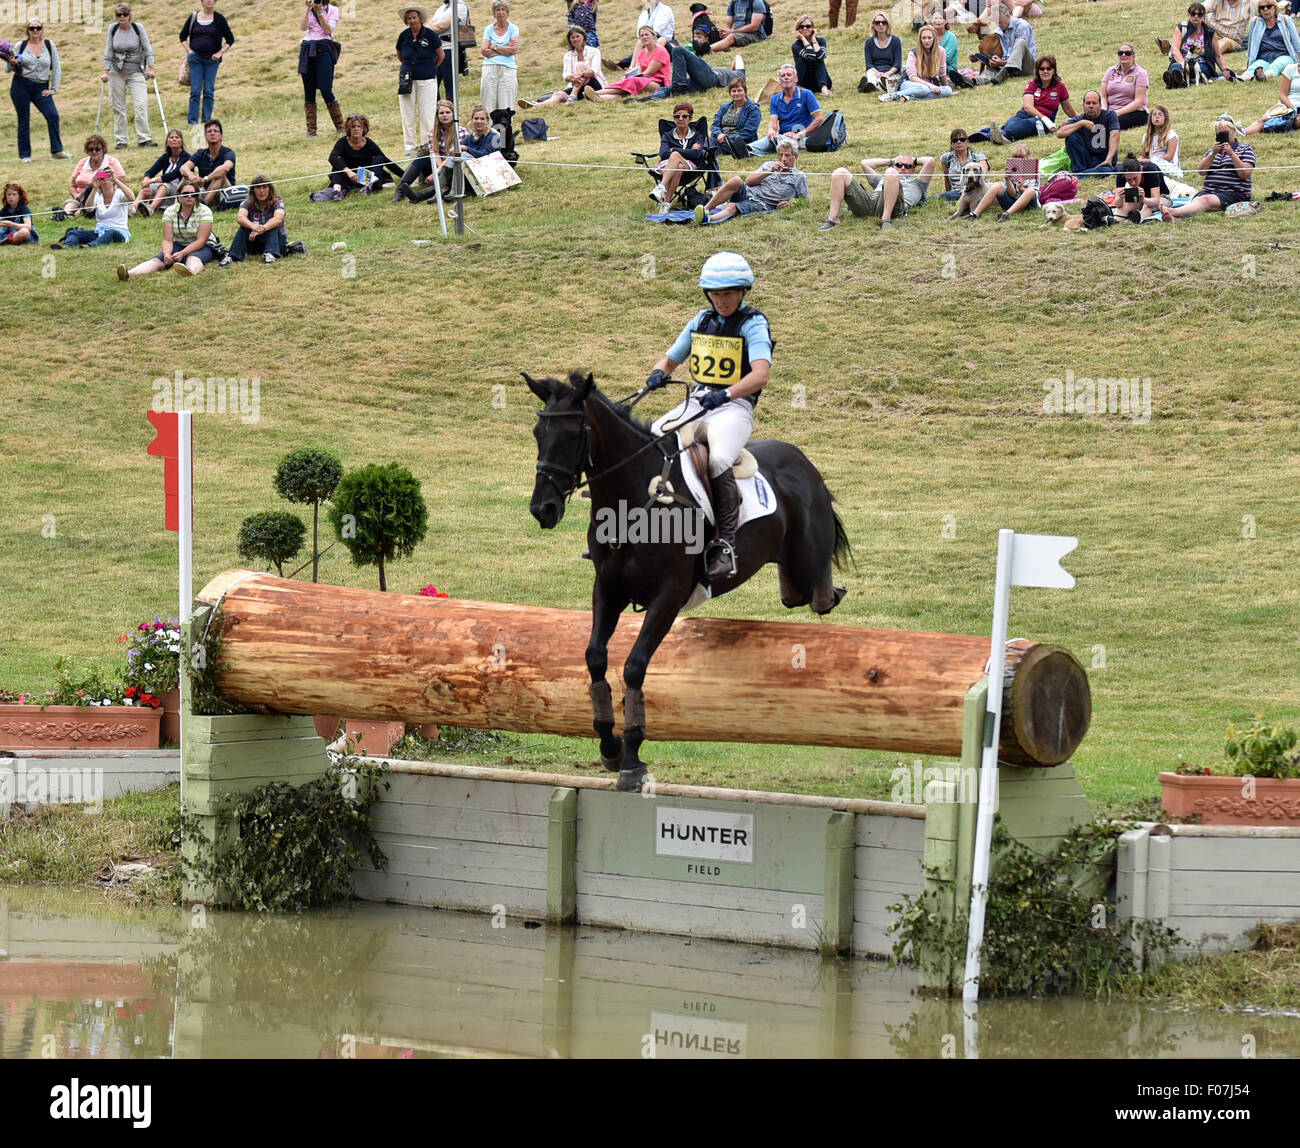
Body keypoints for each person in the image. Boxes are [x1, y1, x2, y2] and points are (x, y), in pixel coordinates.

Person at [643, 251, 772, 581]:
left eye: (728, 293)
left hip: (734, 407)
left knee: (718, 460)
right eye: (716, 294)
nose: (722, 300)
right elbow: (670, 359)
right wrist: (658, 373)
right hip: (700, 401)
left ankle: (725, 545)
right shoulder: (700, 321)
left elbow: (760, 375)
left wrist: (727, 393)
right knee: (652, 440)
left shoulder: (753, 323)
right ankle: (641, 528)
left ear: (742, 292)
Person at [695, 135, 808, 223]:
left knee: (732, 206)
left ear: (796, 157)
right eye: (781, 155)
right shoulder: (769, 165)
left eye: (787, 155)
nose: (783, 159)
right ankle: (705, 209)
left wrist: (790, 203)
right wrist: (770, 171)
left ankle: (709, 219)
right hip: (747, 191)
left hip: (761, 203)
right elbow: (749, 181)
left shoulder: (799, 177)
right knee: (736, 180)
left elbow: (805, 200)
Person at [1161, 114, 1255, 217]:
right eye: (1220, 133)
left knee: (1204, 200)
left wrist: (1232, 154)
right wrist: (1213, 154)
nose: (1224, 136)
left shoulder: (1246, 149)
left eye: (1226, 133)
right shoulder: (1212, 151)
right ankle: (1175, 218)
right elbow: (1201, 171)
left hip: (1234, 192)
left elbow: (1245, 174)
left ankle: (1173, 212)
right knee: (1197, 200)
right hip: (1210, 191)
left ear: (1234, 131)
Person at [117, 180, 211, 277]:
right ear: (179, 195)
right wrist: (167, 254)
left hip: (202, 246)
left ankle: (191, 271)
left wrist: (183, 253)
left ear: (197, 197)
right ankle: (129, 274)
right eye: (186, 194)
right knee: (157, 260)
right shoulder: (170, 211)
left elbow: (201, 240)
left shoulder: (205, 211)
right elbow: (167, 239)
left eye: (193, 194)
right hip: (178, 244)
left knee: (193, 258)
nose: (190, 197)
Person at [971, 54, 1074, 142]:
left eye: (1048, 68)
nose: (1045, 71)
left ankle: (1003, 136)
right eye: (1042, 69)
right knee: (1012, 122)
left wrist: (1078, 120)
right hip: (1026, 115)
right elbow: (1028, 107)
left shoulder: (1060, 87)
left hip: (1042, 122)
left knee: (1029, 123)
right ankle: (981, 137)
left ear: (1054, 71)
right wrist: (1044, 118)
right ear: (1038, 71)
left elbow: (1068, 109)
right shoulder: (1032, 84)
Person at [7, 17, 69, 161]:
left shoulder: (49, 45)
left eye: (38, 28)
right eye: (32, 28)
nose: (35, 31)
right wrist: (11, 63)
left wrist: (53, 89)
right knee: (24, 120)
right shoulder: (20, 45)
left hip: (41, 87)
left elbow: (57, 67)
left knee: (52, 115)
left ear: (42, 30)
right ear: (27, 31)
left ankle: (57, 151)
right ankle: (25, 155)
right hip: (21, 85)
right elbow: (7, 69)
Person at [819, 153, 937, 229]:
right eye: (899, 165)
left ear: (912, 170)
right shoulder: (882, 178)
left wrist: (914, 160)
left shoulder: (918, 184)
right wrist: (890, 161)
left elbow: (930, 161)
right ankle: (833, 219)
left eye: (908, 166)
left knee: (891, 174)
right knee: (840, 172)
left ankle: (885, 220)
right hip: (871, 202)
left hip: (896, 207)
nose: (903, 168)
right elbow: (865, 163)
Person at [101, 4, 155, 150]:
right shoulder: (112, 29)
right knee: (118, 107)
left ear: (129, 15)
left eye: (124, 14)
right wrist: (106, 71)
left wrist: (151, 68)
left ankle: (144, 138)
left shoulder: (138, 28)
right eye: (119, 15)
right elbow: (109, 50)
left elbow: (147, 48)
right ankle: (121, 141)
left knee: (140, 106)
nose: (122, 17)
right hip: (116, 71)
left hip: (136, 71)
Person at [393, 98, 466, 201]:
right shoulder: (434, 131)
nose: (444, 115)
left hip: (453, 164)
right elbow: (434, 152)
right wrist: (437, 169)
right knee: (421, 157)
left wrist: (437, 172)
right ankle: (400, 190)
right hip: (439, 161)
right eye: (441, 113)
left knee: (444, 176)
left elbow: (454, 155)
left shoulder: (461, 131)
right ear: (437, 116)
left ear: (453, 114)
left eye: (448, 112)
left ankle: (418, 196)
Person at [397, 6, 444, 154]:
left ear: (420, 18)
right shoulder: (404, 35)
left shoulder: (430, 34)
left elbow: (441, 55)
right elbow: (400, 55)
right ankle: (410, 147)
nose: (412, 21)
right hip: (407, 80)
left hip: (427, 79)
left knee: (427, 114)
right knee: (407, 114)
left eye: (414, 17)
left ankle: (427, 145)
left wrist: (431, 68)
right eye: (409, 18)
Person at [180, 0, 235, 127]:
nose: (209, 1)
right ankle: (192, 122)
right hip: (196, 59)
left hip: (212, 61)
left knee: (209, 91)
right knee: (195, 91)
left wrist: (220, 53)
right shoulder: (194, 17)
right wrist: (190, 52)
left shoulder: (219, 19)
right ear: (202, 1)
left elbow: (230, 39)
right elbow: (182, 36)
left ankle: (207, 121)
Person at [520, 25, 604, 106]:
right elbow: (565, 75)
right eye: (573, 37)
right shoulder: (568, 55)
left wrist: (580, 74)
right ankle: (537, 105)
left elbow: (594, 72)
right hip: (577, 85)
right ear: (570, 40)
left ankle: (573, 96)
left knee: (581, 65)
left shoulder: (594, 51)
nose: (575, 39)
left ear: (583, 37)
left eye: (577, 36)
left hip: (594, 85)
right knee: (559, 94)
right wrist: (571, 77)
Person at [324, 113, 404, 197]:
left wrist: (405, 175)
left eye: (359, 126)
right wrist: (348, 172)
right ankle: (337, 192)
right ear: (349, 129)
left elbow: (386, 161)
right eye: (353, 126)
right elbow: (332, 157)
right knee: (337, 164)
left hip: (365, 176)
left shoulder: (369, 143)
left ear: (364, 129)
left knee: (379, 158)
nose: (356, 129)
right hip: (349, 176)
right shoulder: (342, 142)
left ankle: (369, 187)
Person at [650, 101, 714, 203]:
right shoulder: (667, 135)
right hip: (669, 165)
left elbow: (697, 154)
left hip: (690, 167)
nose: (680, 119)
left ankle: (661, 187)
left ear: (690, 119)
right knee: (678, 167)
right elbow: (663, 154)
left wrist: (675, 149)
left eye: (684, 116)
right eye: (677, 116)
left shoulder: (697, 135)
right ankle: (666, 203)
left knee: (675, 154)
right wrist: (689, 150)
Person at [751, 64, 823, 152]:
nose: (786, 77)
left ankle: (747, 149)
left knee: (775, 142)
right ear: (780, 81)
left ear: (796, 79)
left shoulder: (806, 94)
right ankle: (747, 149)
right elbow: (773, 121)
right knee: (771, 139)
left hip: (803, 139)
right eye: (783, 76)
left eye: (789, 75)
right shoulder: (775, 99)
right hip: (782, 137)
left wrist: (800, 134)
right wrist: (771, 130)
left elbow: (819, 118)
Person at [53, 169, 132, 248]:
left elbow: (132, 198)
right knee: (73, 232)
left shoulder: (119, 193)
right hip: (100, 232)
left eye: (108, 176)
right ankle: (67, 246)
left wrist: (117, 180)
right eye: (102, 177)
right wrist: (94, 188)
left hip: (119, 232)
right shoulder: (98, 196)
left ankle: (91, 245)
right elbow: (88, 209)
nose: (105, 180)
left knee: (111, 232)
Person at [586, 25, 670, 100]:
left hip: (658, 84)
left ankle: (598, 92)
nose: (644, 37)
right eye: (642, 36)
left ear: (653, 36)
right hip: (643, 80)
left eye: (647, 34)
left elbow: (648, 73)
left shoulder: (660, 51)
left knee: (631, 81)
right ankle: (599, 98)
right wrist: (627, 76)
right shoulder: (642, 52)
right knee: (626, 91)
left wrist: (628, 78)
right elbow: (637, 70)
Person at [300, 1, 343, 138]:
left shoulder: (333, 10)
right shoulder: (309, 9)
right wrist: (308, 9)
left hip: (324, 49)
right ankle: (311, 131)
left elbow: (329, 30)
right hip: (307, 49)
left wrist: (319, 12)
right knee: (309, 90)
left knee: (326, 88)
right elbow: (303, 27)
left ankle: (340, 126)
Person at [223, 175, 287, 265]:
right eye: (258, 188)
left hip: (276, 242)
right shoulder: (247, 203)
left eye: (264, 187)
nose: (261, 191)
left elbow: (278, 219)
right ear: (253, 190)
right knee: (244, 227)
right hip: (254, 240)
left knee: (273, 225)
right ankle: (233, 256)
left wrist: (263, 228)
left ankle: (270, 254)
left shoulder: (277, 202)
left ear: (270, 189)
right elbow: (240, 218)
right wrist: (254, 227)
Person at [59, 136, 128, 219]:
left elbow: (120, 181)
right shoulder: (82, 162)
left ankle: (79, 212)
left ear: (103, 150)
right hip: (79, 197)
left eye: (97, 149)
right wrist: (76, 195)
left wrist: (101, 180)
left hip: (100, 196)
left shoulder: (112, 162)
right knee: (70, 204)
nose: (94, 152)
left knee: (90, 189)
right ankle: (65, 214)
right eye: (91, 149)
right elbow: (72, 185)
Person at [966, 141, 1038, 219]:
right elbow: (1013, 194)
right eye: (1016, 159)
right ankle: (975, 214)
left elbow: (1033, 195)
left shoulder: (1034, 171)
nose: (1019, 161)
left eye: (1022, 159)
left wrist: (1021, 188)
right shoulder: (1012, 170)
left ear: (1028, 158)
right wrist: (1008, 181)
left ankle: (1007, 214)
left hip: (1029, 204)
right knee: (997, 186)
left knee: (1031, 190)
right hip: (1012, 202)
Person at [1056, 89, 1120, 175]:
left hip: (1104, 161)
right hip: (1085, 160)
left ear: (1100, 105)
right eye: (1088, 103)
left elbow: (1115, 135)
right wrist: (1081, 124)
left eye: (1094, 103)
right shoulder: (1079, 119)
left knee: (1107, 170)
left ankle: (1080, 175)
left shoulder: (1110, 115)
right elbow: (1059, 133)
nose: (1091, 106)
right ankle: (1080, 172)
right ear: (1083, 105)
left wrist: (1109, 159)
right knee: (1071, 135)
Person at [880, 24, 953, 101]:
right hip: (910, 83)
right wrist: (930, 86)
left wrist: (945, 89)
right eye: (924, 38)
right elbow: (912, 77)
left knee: (948, 90)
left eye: (929, 38)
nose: (926, 41)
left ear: (934, 39)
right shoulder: (914, 53)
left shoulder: (941, 51)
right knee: (923, 89)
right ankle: (893, 95)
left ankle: (910, 97)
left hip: (928, 86)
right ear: (920, 39)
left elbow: (942, 74)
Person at [972, 3, 1036, 86]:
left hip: (1026, 66)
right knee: (990, 71)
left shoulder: (1021, 26)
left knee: (1021, 42)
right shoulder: (999, 30)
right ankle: (972, 82)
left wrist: (1002, 63)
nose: (998, 25)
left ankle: (1005, 71)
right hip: (1004, 65)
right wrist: (983, 58)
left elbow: (1021, 55)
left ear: (1007, 15)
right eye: (996, 23)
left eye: (999, 22)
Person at [1165, 4, 1226, 86]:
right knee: (1175, 67)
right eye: (1193, 14)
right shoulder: (1181, 28)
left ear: (1204, 16)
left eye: (1199, 14)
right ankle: (1178, 78)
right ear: (1189, 15)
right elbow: (1175, 49)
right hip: (1182, 62)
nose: (1196, 16)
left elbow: (1218, 55)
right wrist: (1184, 65)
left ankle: (1177, 80)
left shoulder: (1210, 32)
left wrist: (1226, 71)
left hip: (1201, 64)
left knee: (1199, 69)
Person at [134, 130, 191, 217]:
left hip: (179, 189)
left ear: (181, 141)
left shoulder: (186, 157)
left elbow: (173, 175)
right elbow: (150, 172)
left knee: (164, 186)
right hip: (164, 189)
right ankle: (133, 209)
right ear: (167, 142)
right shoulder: (165, 157)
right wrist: (146, 181)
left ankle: (151, 209)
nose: (174, 139)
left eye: (177, 137)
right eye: (171, 137)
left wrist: (152, 180)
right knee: (146, 188)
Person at [181, 120, 236, 207]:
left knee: (220, 176)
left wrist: (205, 179)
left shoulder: (228, 153)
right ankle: (177, 206)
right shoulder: (200, 153)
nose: (212, 133)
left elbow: (225, 168)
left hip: (224, 192)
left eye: (216, 131)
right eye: (209, 131)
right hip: (205, 190)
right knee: (185, 176)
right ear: (205, 136)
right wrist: (193, 177)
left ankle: (203, 206)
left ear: (221, 135)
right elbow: (183, 168)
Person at [480, 2, 520, 115]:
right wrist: (504, 49)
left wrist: (494, 47)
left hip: (508, 69)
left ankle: (505, 132)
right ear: (494, 13)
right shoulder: (488, 29)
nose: (500, 12)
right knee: (488, 103)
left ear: (507, 12)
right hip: (490, 68)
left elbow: (513, 50)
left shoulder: (513, 28)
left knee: (505, 104)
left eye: (503, 9)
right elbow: (483, 51)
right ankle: (488, 131)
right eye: (497, 10)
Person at [1243, 2, 1300, 79]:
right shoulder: (1255, 22)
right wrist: (1248, 64)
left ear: (1275, 8)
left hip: (1283, 55)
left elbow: (1297, 45)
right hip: (1263, 57)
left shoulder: (1286, 20)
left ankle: (1264, 76)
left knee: (1276, 66)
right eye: (1262, 7)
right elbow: (1250, 46)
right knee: (1253, 68)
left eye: (1269, 6)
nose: (1265, 9)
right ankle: (1241, 78)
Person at [1100, 44, 1150, 130]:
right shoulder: (1110, 71)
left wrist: (1117, 113)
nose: (1123, 55)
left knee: (1111, 123)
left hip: (1135, 112)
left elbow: (1139, 101)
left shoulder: (1141, 73)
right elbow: (1103, 96)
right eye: (1120, 53)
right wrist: (1104, 111)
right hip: (1110, 112)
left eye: (1127, 53)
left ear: (1133, 55)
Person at [430, 0, 470, 102]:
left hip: (450, 49)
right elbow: (431, 25)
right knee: (432, 85)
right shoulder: (442, 8)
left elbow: (443, 26)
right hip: (436, 49)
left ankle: (452, 113)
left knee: (450, 87)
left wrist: (428, 29)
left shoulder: (460, 6)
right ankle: (437, 113)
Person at [711, 76, 762, 157]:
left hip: (741, 141)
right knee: (709, 141)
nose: (736, 93)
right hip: (721, 140)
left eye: (739, 90)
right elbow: (715, 124)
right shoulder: (724, 107)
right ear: (730, 93)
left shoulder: (753, 109)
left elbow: (749, 131)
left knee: (735, 144)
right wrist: (718, 134)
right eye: (733, 91)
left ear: (745, 92)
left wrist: (728, 139)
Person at [1113, 153, 1170, 222]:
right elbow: (1117, 204)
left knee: (1147, 206)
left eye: (1135, 178)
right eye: (1129, 180)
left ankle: (1137, 220)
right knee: (1125, 206)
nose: (1132, 183)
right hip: (1139, 198)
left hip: (1161, 197)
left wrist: (1143, 199)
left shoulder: (1151, 170)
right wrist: (1120, 198)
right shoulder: (1122, 173)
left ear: (1141, 169)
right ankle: (1114, 221)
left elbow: (1156, 201)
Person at [1245, 58, 1300, 129]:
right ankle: (1240, 132)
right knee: (1262, 121)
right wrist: (1292, 108)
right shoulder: (1291, 69)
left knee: (1297, 121)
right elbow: (1282, 95)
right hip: (1288, 105)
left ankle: (1279, 125)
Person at [937, 127, 988, 199]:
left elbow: (983, 176)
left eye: (962, 139)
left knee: (940, 197)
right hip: (956, 192)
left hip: (976, 191)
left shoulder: (978, 157)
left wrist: (966, 190)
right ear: (951, 144)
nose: (958, 142)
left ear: (967, 142)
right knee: (947, 196)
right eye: (955, 140)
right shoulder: (946, 158)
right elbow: (947, 180)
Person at [861, 11, 903, 92]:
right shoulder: (869, 42)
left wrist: (887, 73)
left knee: (886, 80)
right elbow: (869, 64)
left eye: (884, 22)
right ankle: (871, 84)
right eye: (877, 23)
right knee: (870, 73)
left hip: (891, 72)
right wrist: (878, 73)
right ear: (873, 25)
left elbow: (897, 64)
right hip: (875, 71)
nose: (881, 25)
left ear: (888, 25)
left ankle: (872, 85)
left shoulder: (896, 40)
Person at [791, 15, 831, 94]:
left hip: (821, 79)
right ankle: (797, 87)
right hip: (805, 82)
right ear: (798, 30)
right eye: (802, 27)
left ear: (813, 28)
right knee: (803, 59)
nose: (805, 28)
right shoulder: (796, 46)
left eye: (808, 26)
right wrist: (803, 39)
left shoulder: (821, 41)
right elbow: (810, 56)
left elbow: (821, 56)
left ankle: (824, 89)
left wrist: (814, 39)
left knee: (819, 59)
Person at [1141, 105, 1182, 175]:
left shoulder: (1171, 135)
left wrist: (1151, 161)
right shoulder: (1147, 136)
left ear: (1165, 118)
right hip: (1151, 165)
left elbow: (1169, 156)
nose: (1157, 117)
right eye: (1154, 115)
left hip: (1168, 166)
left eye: (1160, 114)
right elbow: (1144, 155)